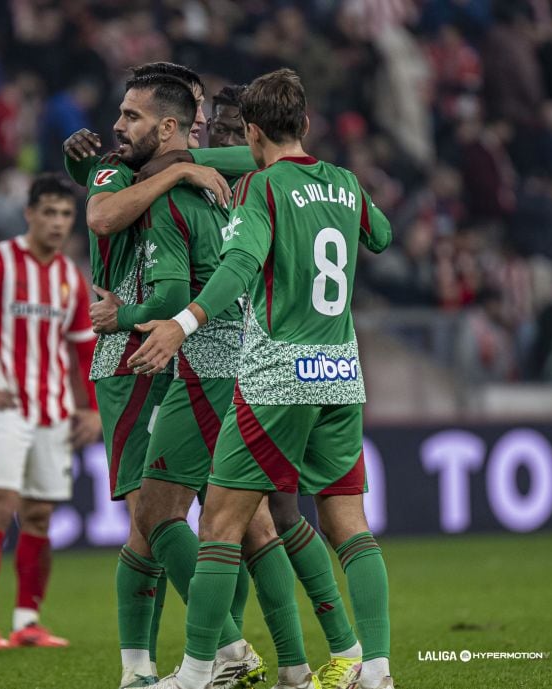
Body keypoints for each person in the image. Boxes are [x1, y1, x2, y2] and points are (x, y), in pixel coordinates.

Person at [128, 69, 394, 689]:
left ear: (251, 133)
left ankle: (196, 674)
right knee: (347, 524)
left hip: (276, 376)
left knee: (220, 522)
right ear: (304, 125)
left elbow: (242, 263)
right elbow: (380, 235)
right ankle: (374, 668)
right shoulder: (346, 183)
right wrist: (345, 202)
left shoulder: (262, 188)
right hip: (340, 375)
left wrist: (182, 324)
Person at [89, 72, 268, 689]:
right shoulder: (118, 167)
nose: (121, 126)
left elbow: (256, 154)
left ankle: (226, 652)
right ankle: (145, 667)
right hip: (134, 355)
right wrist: (178, 171)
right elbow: (103, 215)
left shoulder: (202, 167)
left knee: (180, 517)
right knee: (153, 522)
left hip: (169, 352)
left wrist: (188, 162)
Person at [0, 173, 101, 650]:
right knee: (0, 507)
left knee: (40, 516)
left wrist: (92, 411)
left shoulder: (70, 275)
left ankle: (28, 620)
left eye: (65, 214)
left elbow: (85, 350)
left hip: (54, 410)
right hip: (4, 407)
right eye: (48, 212)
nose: (57, 222)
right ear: (29, 214)